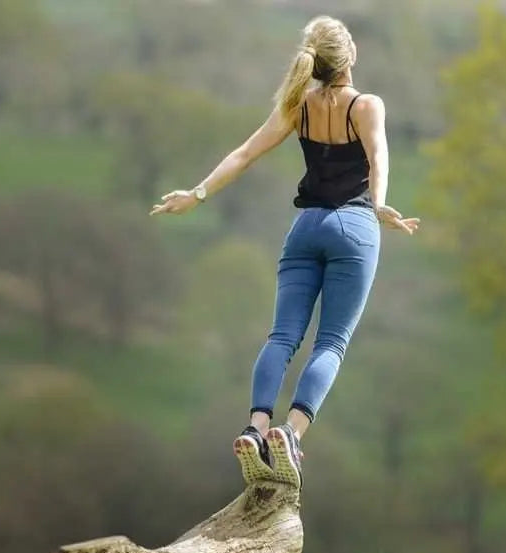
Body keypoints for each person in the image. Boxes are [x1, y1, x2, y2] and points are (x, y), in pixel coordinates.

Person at [150, 15, 419, 488]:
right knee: (331, 342)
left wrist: (197, 194)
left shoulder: (299, 106)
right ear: (351, 56)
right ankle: (290, 434)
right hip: (353, 227)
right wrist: (378, 205)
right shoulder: (366, 105)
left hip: (305, 230)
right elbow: (378, 155)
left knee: (282, 337)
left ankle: (255, 428)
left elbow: (244, 153)